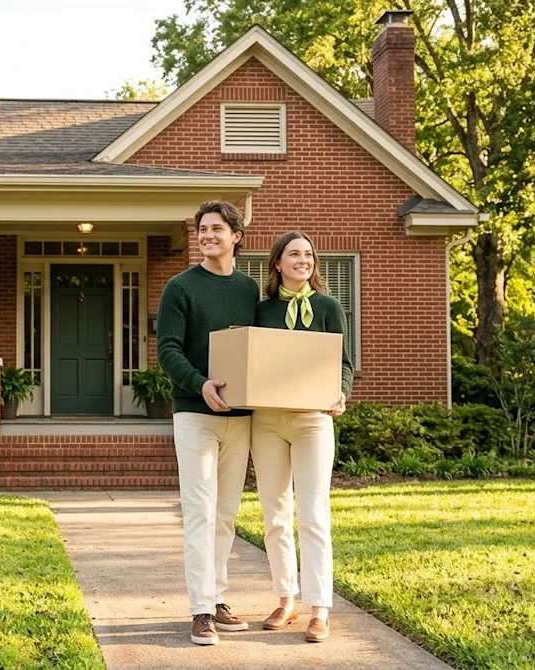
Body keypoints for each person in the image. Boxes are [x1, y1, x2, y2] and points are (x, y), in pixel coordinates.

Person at [155, 200, 260, 646]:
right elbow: (168, 350)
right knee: (199, 512)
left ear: (236, 236)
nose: (207, 235)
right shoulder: (180, 288)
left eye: (217, 228)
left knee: (225, 515)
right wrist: (200, 385)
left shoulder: (251, 290)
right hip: (195, 414)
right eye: (202, 229)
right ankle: (200, 609)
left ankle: (218, 598)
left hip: (241, 417)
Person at [251, 231, 353, 643]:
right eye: (294, 254)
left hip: (313, 419)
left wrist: (341, 392)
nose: (303, 260)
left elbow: (343, 362)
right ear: (277, 263)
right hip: (268, 421)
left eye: (308, 254)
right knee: (274, 513)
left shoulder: (328, 306)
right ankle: (285, 597)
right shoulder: (262, 310)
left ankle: (319, 608)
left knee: (312, 513)